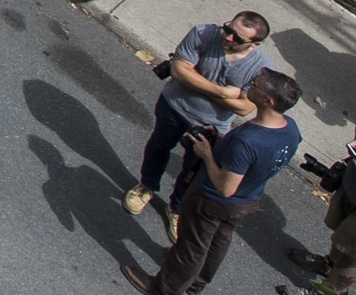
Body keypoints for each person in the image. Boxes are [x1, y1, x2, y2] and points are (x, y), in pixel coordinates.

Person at [123, 70, 300, 294]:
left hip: (213, 200)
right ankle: (196, 282)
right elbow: (257, 161)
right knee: (218, 240)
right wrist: (220, 141)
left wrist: (207, 154)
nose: (249, 86)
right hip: (247, 199)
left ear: (268, 101)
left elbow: (225, 187)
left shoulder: (248, 140)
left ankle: (163, 288)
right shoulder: (290, 129)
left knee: (192, 247)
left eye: (255, 85)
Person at [127, 11, 272, 219]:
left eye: (238, 38)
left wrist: (195, 78)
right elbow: (178, 71)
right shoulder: (203, 33)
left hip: (211, 126)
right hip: (174, 106)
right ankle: (146, 186)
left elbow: (245, 108)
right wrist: (224, 92)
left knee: (193, 170)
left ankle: (176, 208)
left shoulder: (260, 68)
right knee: (159, 146)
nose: (228, 38)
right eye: (228, 29)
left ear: (255, 44)